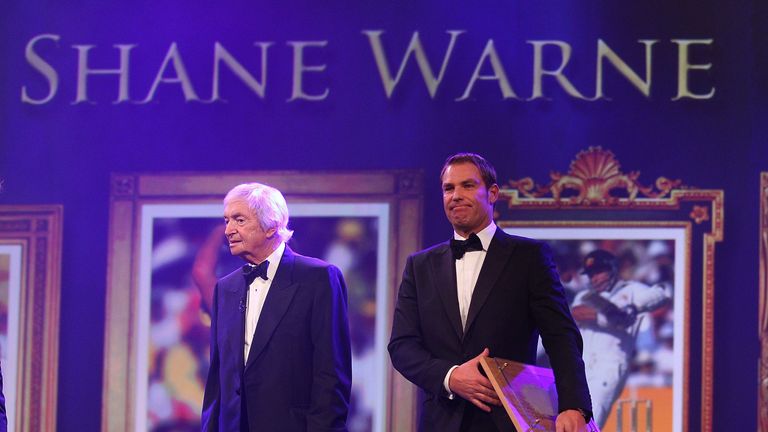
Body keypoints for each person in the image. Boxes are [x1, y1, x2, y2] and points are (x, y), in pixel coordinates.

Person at [388, 153, 593, 432]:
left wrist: (573, 405)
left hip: (509, 421)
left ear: (493, 193)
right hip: (442, 422)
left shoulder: (529, 257)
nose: (456, 195)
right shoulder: (419, 265)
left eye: (468, 186)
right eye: (449, 188)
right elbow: (402, 346)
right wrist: (450, 376)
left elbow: (561, 336)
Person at [201, 183, 352, 431]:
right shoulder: (225, 289)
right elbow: (217, 381)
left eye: (239, 220)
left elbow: (331, 374)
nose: (228, 230)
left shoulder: (319, 278)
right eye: (226, 220)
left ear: (271, 225)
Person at [570, 249, 671, 428]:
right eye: (591, 274)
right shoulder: (585, 295)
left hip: (609, 367)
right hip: (582, 367)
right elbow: (577, 312)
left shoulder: (632, 290)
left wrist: (633, 308)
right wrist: (612, 317)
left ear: (613, 269)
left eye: (599, 272)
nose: (595, 278)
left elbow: (661, 295)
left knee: (590, 422)